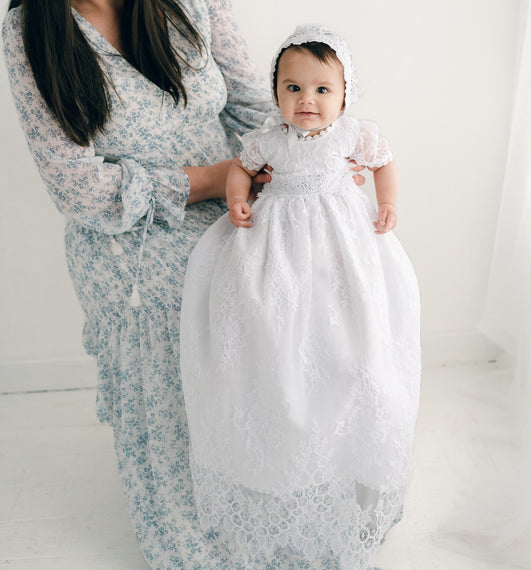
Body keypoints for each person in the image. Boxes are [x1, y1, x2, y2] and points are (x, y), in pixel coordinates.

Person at [2, 2, 368, 568]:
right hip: (133, 231)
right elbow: (77, 188)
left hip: (240, 196)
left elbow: (255, 106)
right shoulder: (30, 30)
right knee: (202, 304)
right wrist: (211, 180)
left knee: (316, 273)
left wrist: (302, 169)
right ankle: (210, 507)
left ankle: (291, 489)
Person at [179, 25, 422, 570]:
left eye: (320, 90)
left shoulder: (353, 135)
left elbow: (385, 164)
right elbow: (240, 171)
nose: (306, 101)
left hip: (341, 251)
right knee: (279, 331)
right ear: (276, 95)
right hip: (280, 250)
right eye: (292, 88)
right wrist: (238, 201)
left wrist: (388, 205)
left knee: (348, 340)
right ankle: (281, 462)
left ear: (343, 94)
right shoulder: (267, 141)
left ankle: (348, 460)